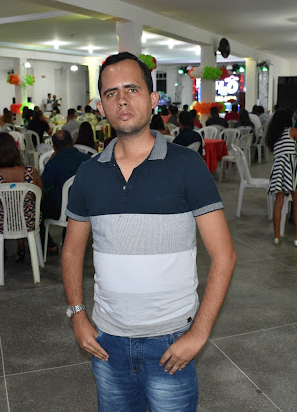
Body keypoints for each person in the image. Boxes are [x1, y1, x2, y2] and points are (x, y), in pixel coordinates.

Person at [62, 52, 235, 411]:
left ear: (153, 99)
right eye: (111, 93)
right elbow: (72, 251)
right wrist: (78, 314)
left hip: (171, 341)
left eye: (132, 89)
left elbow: (224, 255)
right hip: (108, 341)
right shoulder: (89, 173)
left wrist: (199, 333)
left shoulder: (187, 166)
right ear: (101, 107)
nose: (122, 100)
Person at [0, 132, 43, 263]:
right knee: (22, 210)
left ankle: (0, 252)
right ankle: (21, 248)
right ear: (16, 150)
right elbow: (40, 198)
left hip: (2, 223)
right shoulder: (32, 171)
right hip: (29, 222)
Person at [266, 108, 297, 246]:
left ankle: (276, 236)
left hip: (278, 167)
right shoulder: (292, 131)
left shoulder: (274, 135)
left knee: (279, 202)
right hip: (291, 166)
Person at [42, 130, 90, 253]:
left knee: (36, 209)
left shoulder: (54, 164)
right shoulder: (87, 159)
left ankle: (49, 245)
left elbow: (43, 185)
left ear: (54, 147)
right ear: (73, 142)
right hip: (87, 207)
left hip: (63, 210)